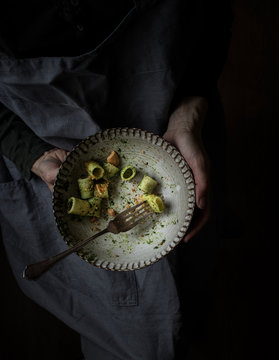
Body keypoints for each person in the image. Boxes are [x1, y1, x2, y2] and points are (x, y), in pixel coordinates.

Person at [0, 1, 233, 359]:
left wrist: (190, 108)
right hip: (46, 165)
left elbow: (213, 12)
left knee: (195, 286)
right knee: (118, 329)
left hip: (180, 133)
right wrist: (31, 151)